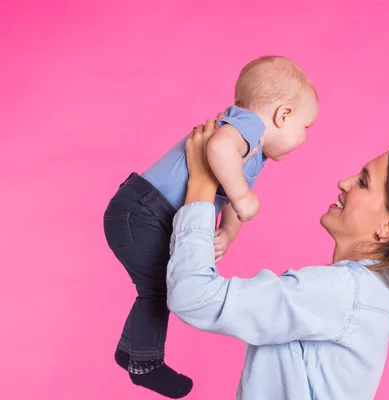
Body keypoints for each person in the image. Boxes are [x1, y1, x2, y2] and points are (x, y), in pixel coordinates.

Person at [166, 119, 389, 399]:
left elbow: (193, 296)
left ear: (388, 225)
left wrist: (201, 187)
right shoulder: (364, 299)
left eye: (363, 182)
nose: (344, 183)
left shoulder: (342, 293)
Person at [103, 56, 318, 398]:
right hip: (143, 211)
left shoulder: (251, 149)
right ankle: (145, 364)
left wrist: (230, 231)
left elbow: (228, 192)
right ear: (284, 114)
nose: (305, 137)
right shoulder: (247, 126)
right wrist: (243, 195)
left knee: (157, 286)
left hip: (144, 211)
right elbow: (217, 150)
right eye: (307, 127)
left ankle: (131, 351)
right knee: (159, 289)